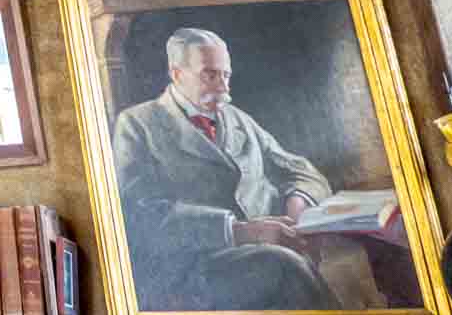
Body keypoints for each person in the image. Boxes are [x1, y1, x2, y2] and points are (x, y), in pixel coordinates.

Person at [113, 27, 339, 311]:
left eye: (226, 75)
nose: (223, 87)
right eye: (210, 74)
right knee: (285, 266)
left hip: (266, 247)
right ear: (177, 73)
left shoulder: (236, 119)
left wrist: (296, 212)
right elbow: (139, 214)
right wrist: (242, 232)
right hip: (193, 266)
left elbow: (302, 171)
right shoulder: (137, 124)